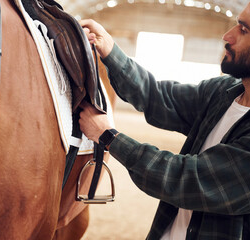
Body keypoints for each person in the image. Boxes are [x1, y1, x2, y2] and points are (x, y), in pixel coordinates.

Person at [78, 3, 250, 240]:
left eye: (244, 30)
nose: (227, 35)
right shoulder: (224, 92)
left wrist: (109, 137)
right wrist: (110, 50)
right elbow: (157, 96)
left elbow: (187, 179)